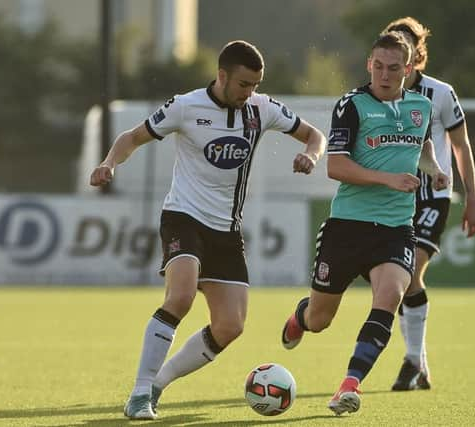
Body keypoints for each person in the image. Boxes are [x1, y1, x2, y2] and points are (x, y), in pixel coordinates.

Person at [90, 40, 326, 420]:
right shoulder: (185, 106)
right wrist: (109, 163)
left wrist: (310, 155)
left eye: (256, 85)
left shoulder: (261, 109)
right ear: (222, 76)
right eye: (245, 84)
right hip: (183, 216)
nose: (251, 92)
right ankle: (138, 393)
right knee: (180, 296)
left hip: (227, 230)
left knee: (230, 326)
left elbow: (316, 135)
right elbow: (132, 137)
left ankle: (157, 384)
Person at [280, 32, 449, 415]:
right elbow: (336, 166)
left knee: (390, 295)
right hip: (348, 226)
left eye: (393, 68)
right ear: (368, 65)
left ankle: (348, 386)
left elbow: (420, 148)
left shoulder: (421, 107)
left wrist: (435, 170)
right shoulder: (352, 106)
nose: (385, 75)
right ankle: (300, 316)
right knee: (321, 319)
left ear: (408, 70)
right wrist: (388, 178)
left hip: (395, 227)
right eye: (378, 67)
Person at [382, 17, 475, 391]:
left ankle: (411, 361)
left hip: (433, 196)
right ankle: (420, 365)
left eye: (405, 50)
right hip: (392, 196)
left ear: (416, 56)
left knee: (408, 272)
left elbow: (461, 146)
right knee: (401, 279)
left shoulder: (440, 93)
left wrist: (472, 197)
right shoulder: (377, 94)